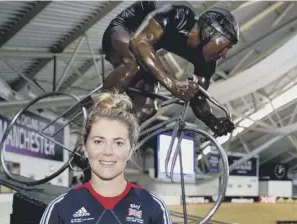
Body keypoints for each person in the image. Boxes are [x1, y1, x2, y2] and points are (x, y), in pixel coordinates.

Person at [27, 91, 180, 224]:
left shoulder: (153, 207)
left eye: (118, 143)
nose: (108, 152)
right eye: (98, 141)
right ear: (84, 146)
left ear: (131, 149)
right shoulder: (60, 208)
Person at [101, 1, 238, 137]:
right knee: (134, 64)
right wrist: (173, 84)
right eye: (226, 46)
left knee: (147, 108)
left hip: (146, 48)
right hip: (124, 31)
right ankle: (98, 114)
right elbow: (139, 42)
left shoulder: (208, 61)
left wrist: (212, 121)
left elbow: (197, 98)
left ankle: (112, 136)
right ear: (209, 32)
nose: (225, 54)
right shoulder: (178, 14)